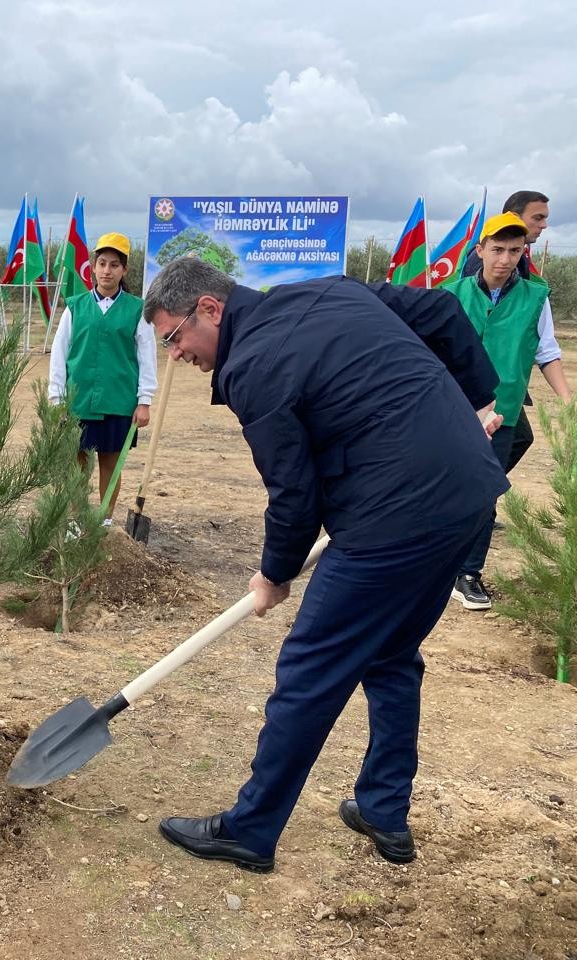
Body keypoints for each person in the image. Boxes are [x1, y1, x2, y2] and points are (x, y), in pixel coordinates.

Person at [143, 258, 506, 873]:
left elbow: (293, 494)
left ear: (210, 308)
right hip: (469, 494)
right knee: (390, 654)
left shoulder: (254, 365)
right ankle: (383, 808)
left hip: (394, 517)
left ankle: (250, 830)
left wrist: (273, 575)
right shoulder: (328, 289)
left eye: (174, 337)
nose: (176, 354)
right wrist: (477, 402)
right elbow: (442, 312)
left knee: (310, 667)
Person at [444, 212, 577, 611]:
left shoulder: (535, 298)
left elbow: (547, 353)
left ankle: (467, 574)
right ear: (480, 250)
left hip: (503, 413)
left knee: (485, 493)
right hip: (452, 411)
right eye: (497, 249)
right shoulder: (450, 293)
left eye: (515, 250)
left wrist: (567, 400)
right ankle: (430, 559)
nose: (505, 259)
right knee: (440, 487)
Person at [47, 232, 156, 520]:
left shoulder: (137, 311)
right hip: (78, 400)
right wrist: (56, 397)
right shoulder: (75, 307)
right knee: (77, 465)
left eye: (114, 265)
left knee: (110, 463)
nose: (107, 270)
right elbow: (59, 355)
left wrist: (144, 400)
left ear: (124, 270)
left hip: (118, 401)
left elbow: (147, 357)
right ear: (94, 267)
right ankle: (75, 522)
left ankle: (105, 522)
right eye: (102, 263)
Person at [462, 190, 551, 474]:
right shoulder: (482, 267)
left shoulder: (522, 269)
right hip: (478, 388)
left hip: (504, 384)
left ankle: (487, 502)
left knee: (511, 441)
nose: (543, 225)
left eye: (514, 251)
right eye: (537, 218)